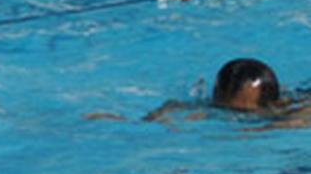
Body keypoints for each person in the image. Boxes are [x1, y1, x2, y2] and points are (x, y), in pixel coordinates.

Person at [86, 58, 310, 126]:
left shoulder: (289, 111)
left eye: (243, 113)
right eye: (222, 107)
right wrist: (133, 123)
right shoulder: (209, 105)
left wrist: (262, 130)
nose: (233, 119)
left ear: (275, 104)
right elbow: (173, 108)